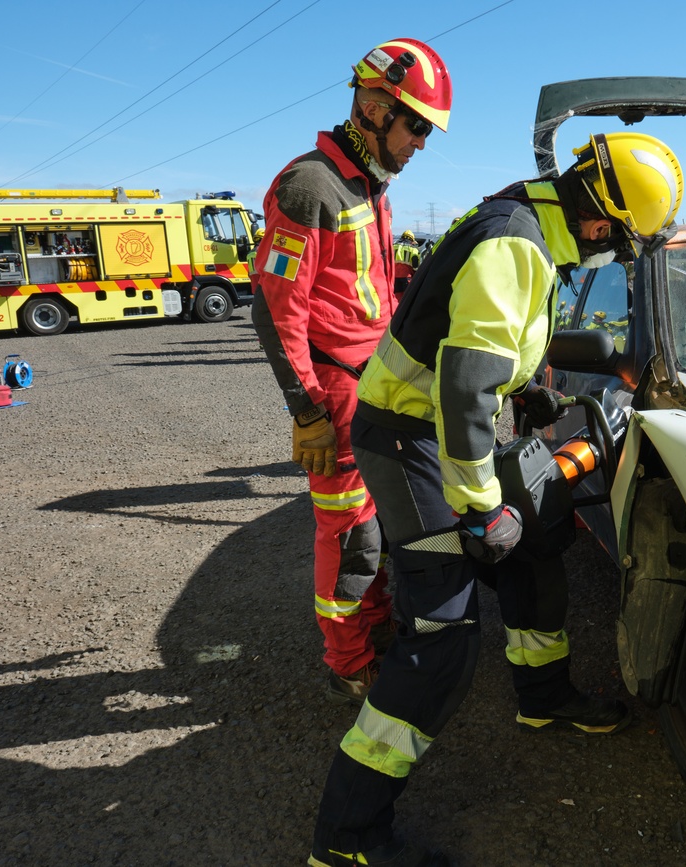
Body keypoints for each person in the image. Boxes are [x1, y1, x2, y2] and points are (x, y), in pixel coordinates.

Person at [308, 131, 685, 867]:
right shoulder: (515, 245)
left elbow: (485, 349)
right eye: (623, 247)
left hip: (434, 426)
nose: (614, 259)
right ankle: (347, 836)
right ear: (602, 223)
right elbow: (461, 387)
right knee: (443, 641)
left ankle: (543, 696)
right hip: (410, 438)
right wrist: (481, 506)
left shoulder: (530, 221)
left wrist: (535, 394)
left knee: (538, 543)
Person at [251, 37, 452, 707]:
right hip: (333, 392)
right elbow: (276, 308)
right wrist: (305, 410)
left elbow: (364, 289)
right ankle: (351, 658)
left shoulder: (365, 184)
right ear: (371, 107)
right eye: (415, 124)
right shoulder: (309, 185)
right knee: (350, 532)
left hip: (374, 385)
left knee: (379, 524)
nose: (420, 142)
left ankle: (372, 627)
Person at [391, 229, 421, 297]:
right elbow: (415, 264)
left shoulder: (392, 247)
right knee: (407, 298)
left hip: (394, 278)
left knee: (395, 297)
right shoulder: (413, 249)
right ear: (411, 240)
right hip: (407, 278)